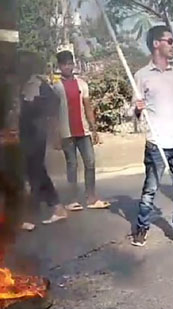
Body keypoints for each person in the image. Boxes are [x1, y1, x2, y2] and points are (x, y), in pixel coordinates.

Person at [130, 25, 173, 247]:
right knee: (150, 189)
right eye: (169, 41)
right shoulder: (141, 76)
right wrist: (138, 108)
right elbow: (134, 111)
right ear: (156, 43)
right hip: (156, 142)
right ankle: (142, 227)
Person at [52, 50, 110, 211]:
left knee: (90, 162)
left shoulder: (82, 84)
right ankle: (71, 200)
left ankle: (91, 197)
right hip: (66, 133)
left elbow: (88, 106)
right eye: (64, 65)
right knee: (72, 165)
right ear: (59, 66)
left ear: (73, 64)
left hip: (83, 131)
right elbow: (53, 113)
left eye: (70, 64)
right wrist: (55, 135)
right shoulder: (56, 88)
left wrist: (94, 129)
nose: (68, 67)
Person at [18, 51, 67, 231]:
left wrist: (54, 133)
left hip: (35, 133)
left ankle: (32, 214)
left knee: (35, 172)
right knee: (35, 170)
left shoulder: (37, 84)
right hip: (29, 133)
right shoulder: (29, 83)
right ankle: (57, 207)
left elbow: (53, 107)